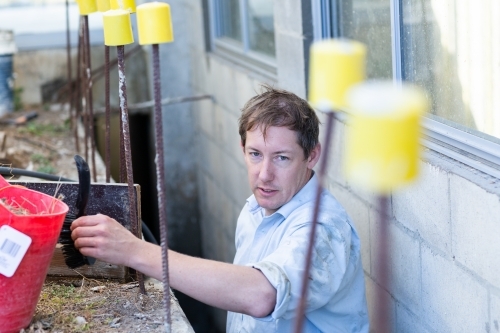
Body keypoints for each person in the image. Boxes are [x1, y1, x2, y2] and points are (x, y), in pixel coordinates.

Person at [71, 86, 369, 332]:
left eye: (281, 158)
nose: (264, 174)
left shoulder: (323, 230)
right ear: (242, 149)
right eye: (255, 154)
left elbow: (262, 295)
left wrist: (135, 251)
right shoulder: (256, 209)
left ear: (312, 155)